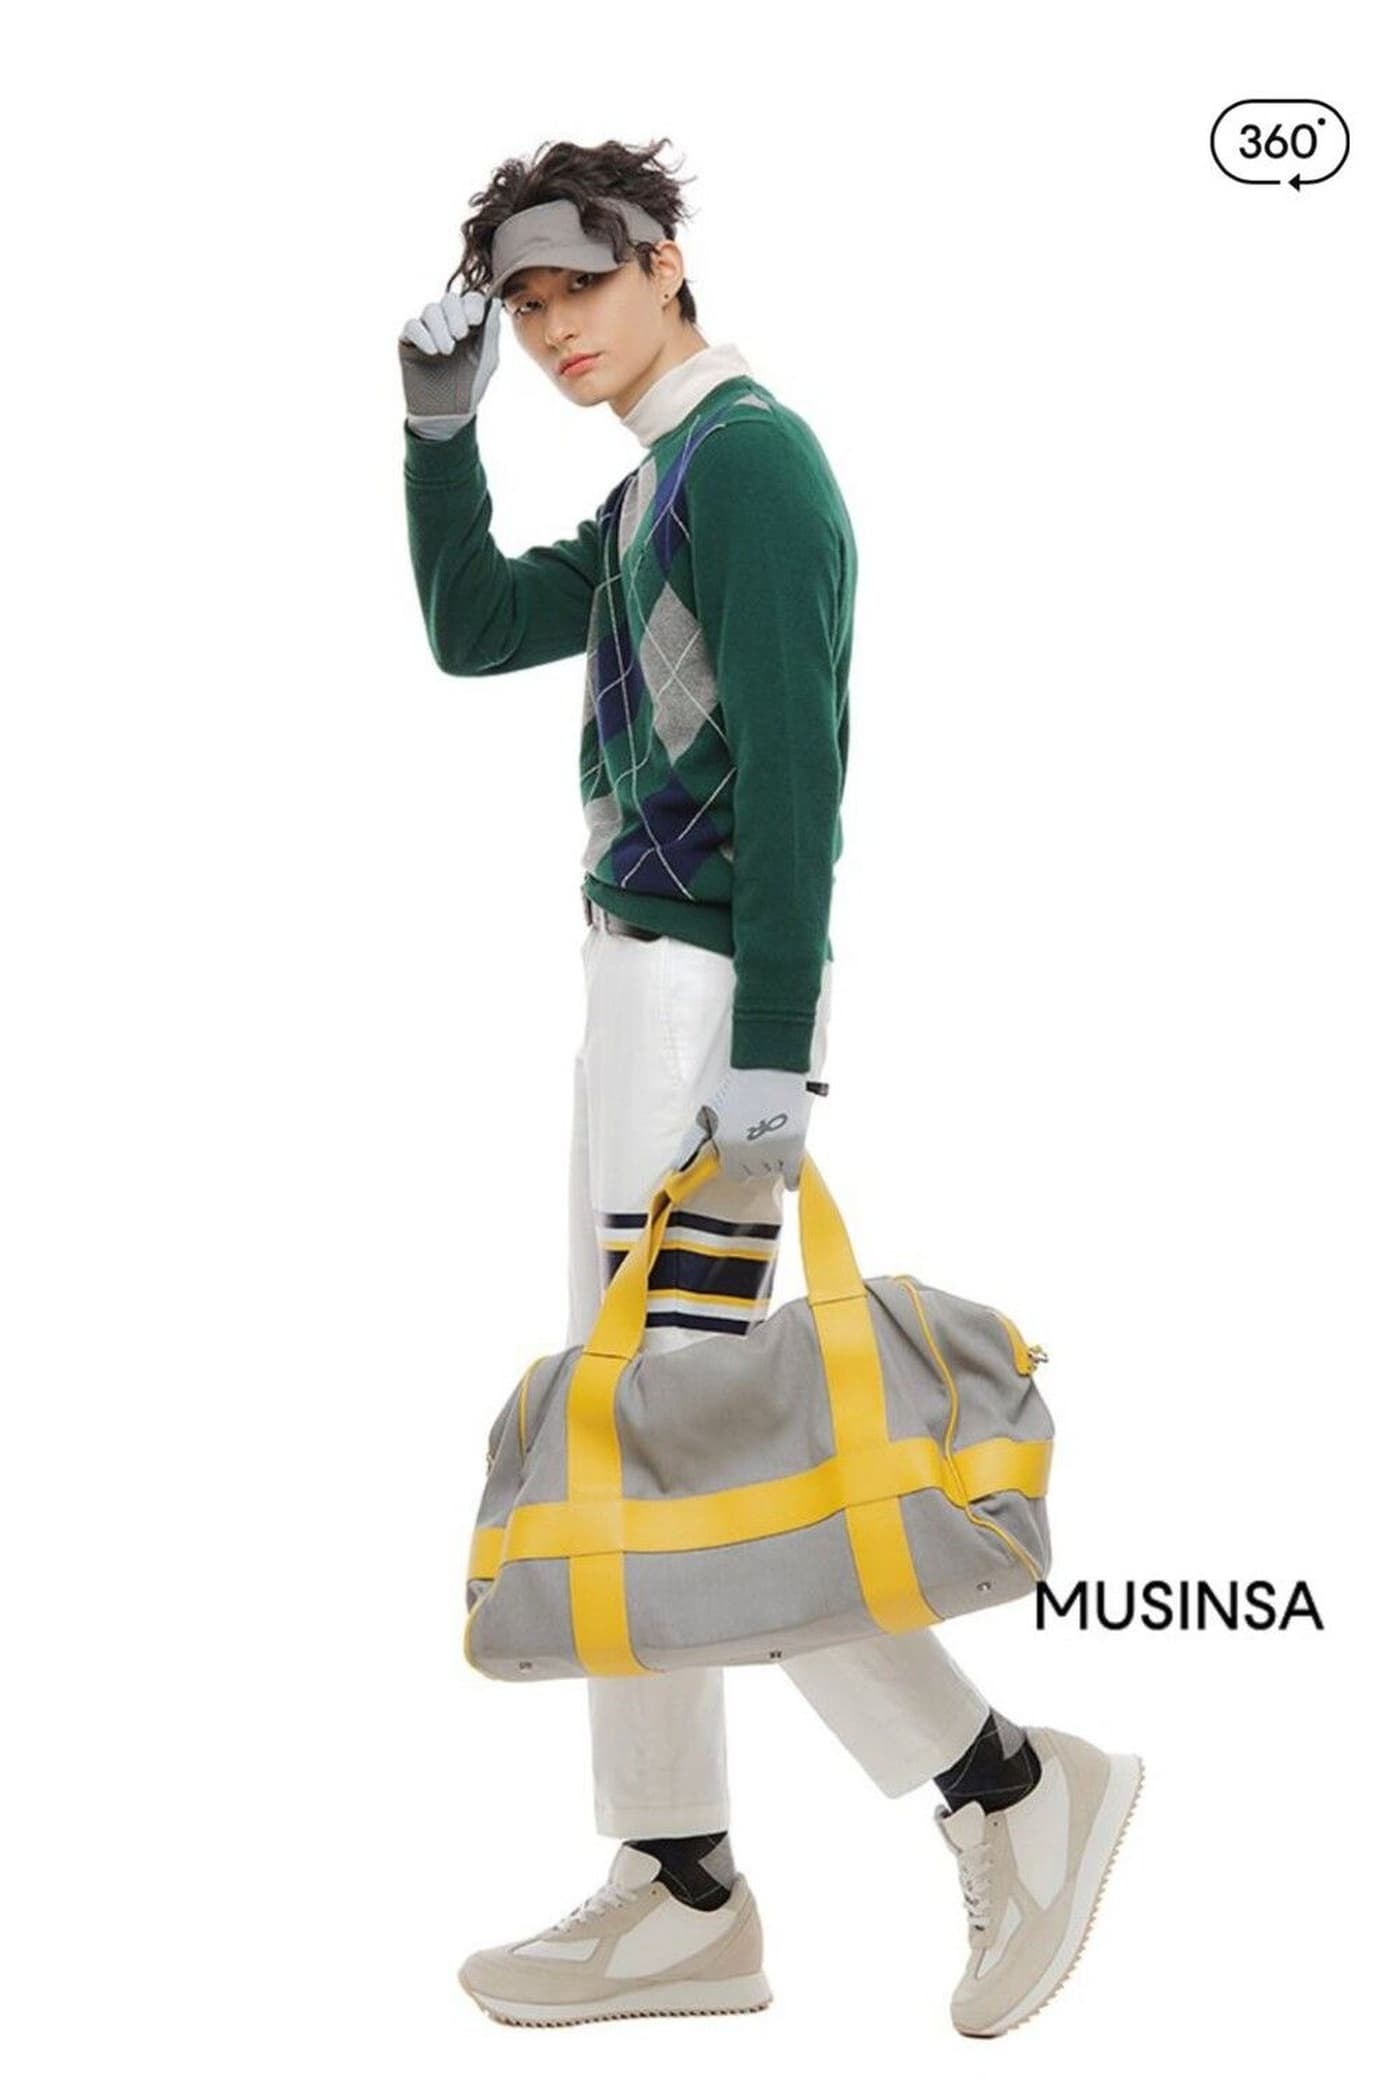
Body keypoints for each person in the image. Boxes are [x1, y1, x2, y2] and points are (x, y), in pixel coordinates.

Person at [399, 136, 1142, 2037]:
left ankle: (1007, 1787)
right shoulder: (657, 485)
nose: (552, 329)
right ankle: (679, 1885)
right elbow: (473, 626)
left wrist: (770, 1055)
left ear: (664, 261)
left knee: (701, 1451)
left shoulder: (752, 465)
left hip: (705, 1003)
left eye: (577, 285)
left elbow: (801, 774)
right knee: (636, 1439)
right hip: (632, 995)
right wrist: (435, 433)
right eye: (524, 304)